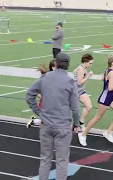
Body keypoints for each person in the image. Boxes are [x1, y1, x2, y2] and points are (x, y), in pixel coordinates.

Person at [26, 52, 80, 180]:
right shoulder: (70, 81)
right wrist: (76, 124)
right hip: (63, 126)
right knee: (62, 162)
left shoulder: (45, 78)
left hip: (46, 125)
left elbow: (29, 95)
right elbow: (76, 108)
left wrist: (39, 112)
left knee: (45, 160)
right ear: (68, 65)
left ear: (56, 63)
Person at [78, 55, 113, 146]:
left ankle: (108, 132)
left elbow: (104, 79)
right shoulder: (112, 73)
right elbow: (110, 88)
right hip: (106, 97)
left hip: (111, 97)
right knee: (97, 118)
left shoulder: (109, 71)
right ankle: (83, 135)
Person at [27, 60, 56, 128]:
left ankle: (34, 121)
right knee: (46, 123)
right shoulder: (46, 78)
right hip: (44, 104)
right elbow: (33, 92)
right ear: (53, 68)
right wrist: (43, 96)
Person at [72, 54, 94, 131]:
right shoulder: (81, 69)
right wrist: (88, 76)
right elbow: (79, 82)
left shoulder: (83, 68)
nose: (91, 65)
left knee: (89, 106)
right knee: (71, 110)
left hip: (81, 91)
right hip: (75, 92)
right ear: (85, 62)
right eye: (90, 63)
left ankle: (81, 122)